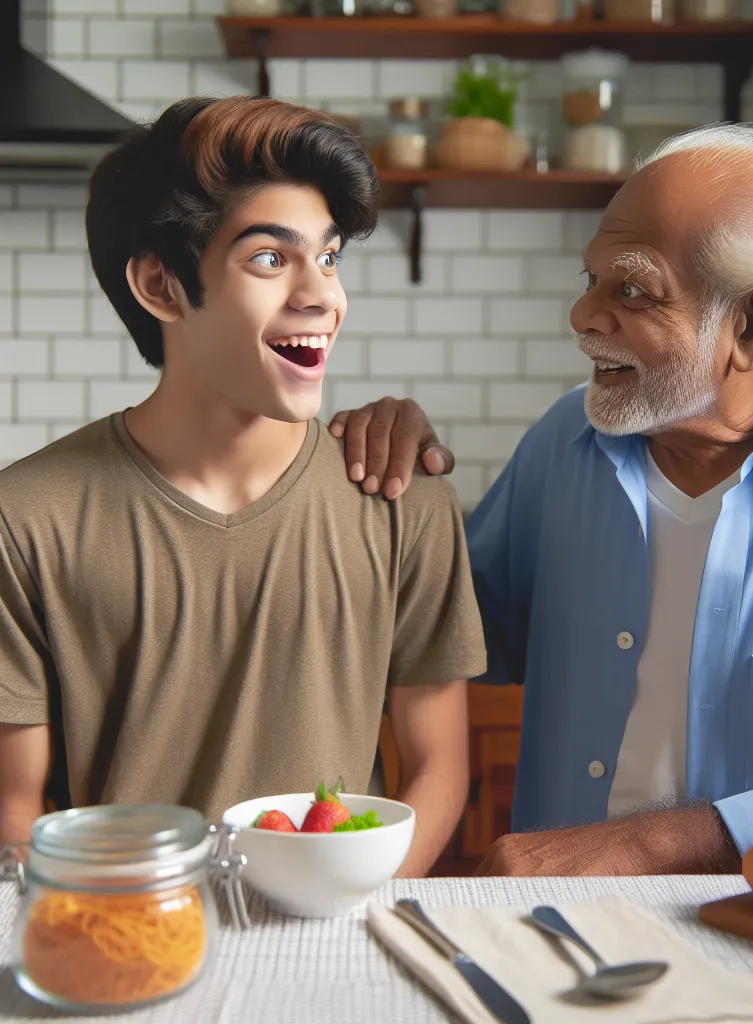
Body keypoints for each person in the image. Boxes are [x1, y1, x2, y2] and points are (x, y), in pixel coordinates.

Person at [328, 123, 753, 875]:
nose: (583, 318)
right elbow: (444, 640)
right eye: (591, 281)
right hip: (558, 930)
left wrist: (645, 844)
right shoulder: (564, 445)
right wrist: (402, 489)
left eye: (633, 290)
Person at [0, 96, 486, 878]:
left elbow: (438, 770)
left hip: (341, 946)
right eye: (270, 259)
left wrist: (346, 913)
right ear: (161, 286)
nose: (323, 296)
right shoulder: (24, 519)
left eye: (328, 258)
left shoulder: (405, 499)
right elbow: (14, 812)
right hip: (133, 941)